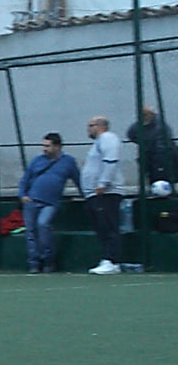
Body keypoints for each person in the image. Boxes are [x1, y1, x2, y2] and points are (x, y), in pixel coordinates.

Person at [18, 133, 81, 274]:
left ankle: (48, 260)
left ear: (57, 146)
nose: (44, 149)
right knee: (31, 232)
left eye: (47, 146)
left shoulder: (68, 162)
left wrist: (86, 195)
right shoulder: (36, 161)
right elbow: (25, 179)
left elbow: (78, 179)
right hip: (32, 200)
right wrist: (22, 195)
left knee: (42, 224)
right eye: (43, 145)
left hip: (50, 202)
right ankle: (34, 263)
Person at [84, 114, 125, 274]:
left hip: (106, 193)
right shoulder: (98, 143)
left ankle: (112, 260)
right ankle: (108, 259)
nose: (88, 129)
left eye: (91, 125)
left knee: (108, 226)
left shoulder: (107, 138)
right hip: (96, 194)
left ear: (100, 126)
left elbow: (111, 160)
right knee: (102, 227)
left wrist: (103, 183)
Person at [126, 104, 177, 185]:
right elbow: (130, 134)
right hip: (148, 157)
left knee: (163, 179)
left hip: (162, 158)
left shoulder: (161, 126)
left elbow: (163, 145)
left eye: (145, 115)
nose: (143, 117)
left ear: (152, 114)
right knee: (152, 179)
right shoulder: (138, 125)